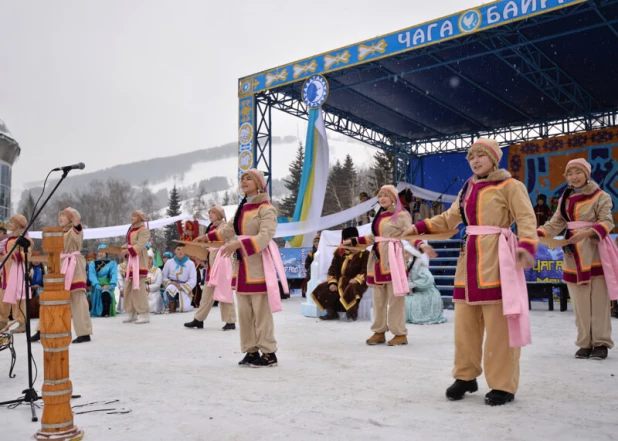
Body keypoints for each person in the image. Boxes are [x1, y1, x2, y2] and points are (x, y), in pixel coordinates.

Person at [405, 138, 538, 406]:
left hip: (497, 257)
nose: (475, 161)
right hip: (469, 259)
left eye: (481, 155)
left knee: (499, 327)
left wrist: (526, 247)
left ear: (494, 158)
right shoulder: (468, 187)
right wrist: (419, 227)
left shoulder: (511, 185)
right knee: (465, 325)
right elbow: (450, 218)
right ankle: (466, 376)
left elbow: (526, 218)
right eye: (471, 157)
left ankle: (503, 384)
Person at [204, 169, 286, 368]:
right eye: (242, 179)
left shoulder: (266, 209)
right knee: (245, 313)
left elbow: (266, 236)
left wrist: (239, 245)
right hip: (242, 268)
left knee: (261, 312)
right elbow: (227, 229)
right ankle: (250, 350)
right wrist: (205, 238)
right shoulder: (242, 209)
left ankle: (268, 352)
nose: (244, 181)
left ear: (259, 183)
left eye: (248, 178)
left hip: (258, 267)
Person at [538, 158, 616, 360]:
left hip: (595, 250)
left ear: (587, 173)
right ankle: (584, 342)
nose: (574, 177)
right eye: (570, 173)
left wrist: (589, 232)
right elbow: (556, 223)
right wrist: (539, 232)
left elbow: (607, 221)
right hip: (573, 252)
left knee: (598, 300)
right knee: (580, 302)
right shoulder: (565, 198)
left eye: (578, 172)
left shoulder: (601, 196)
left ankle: (600, 343)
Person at [345, 185, 430, 346]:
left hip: (393, 259)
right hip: (377, 259)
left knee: (396, 298)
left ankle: (399, 333)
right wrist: (355, 241)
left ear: (393, 197)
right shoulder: (380, 215)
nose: (382, 198)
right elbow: (374, 237)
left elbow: (409, 233)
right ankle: (379, 331)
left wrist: (420, 244)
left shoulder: (401, 214)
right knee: (378, 300)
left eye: (385, 195)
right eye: (380, 196)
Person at [185, 205, 237, 330]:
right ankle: (199, 319)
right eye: (209, 213)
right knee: (207, 293)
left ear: (219, 214)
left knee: (224, 291)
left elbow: (224, 239)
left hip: (223, 262)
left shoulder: (224, 226)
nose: (210, 215)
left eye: (212, 212)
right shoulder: (210, 227)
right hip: (212, 264)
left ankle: (230, 321)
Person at [311, 227, 369, 322]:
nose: (348, 241)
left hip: (358, 281)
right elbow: (332, 269)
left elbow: (366, 270)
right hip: (341, 279)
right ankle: (332, 312)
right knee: (323, 287)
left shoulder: (364, 253)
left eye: (350, 239)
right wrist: (332, 282)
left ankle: (351, 313)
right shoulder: (340, 252)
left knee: (352, 287)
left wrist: (357, 279)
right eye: (346, 239)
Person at [57, 208, 93, 343]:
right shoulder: (57, 233)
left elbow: (77, 233)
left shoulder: (73, 231)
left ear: (72, 219)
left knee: (78, 299)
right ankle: (43, 329)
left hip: (74, 266)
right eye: (60, 216)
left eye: (64, 216)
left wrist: (77, 224)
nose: (61, 218)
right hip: (60, 266)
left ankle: (84, 332)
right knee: (54, 298)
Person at [0, 215, 33, 333]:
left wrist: (16, 256)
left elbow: (28, 253)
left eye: (12, 223)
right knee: (3, 296)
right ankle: (2, 321)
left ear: (19, 224)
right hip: (6, 271)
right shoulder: (10, 237)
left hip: (16, 271)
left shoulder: (24, 238)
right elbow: (6, 252)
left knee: (18, 298)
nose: (10, 225)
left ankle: (22, 322)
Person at [403, 241, 446, 325]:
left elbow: (429, 279)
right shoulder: (405, 266)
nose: (403, 255)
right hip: (415, 291)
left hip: (427, 292)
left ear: (412, 255)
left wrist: (411, 285)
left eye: (406, 253)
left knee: (410, 302)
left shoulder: (419, 266)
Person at [122, 210, 151, 324]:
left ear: (140, 218)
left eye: (134, 215)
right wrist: (122, 248)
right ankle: (131, 312)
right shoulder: (131, 229)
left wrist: (127, 250)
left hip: (139, 259)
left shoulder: (143, 230)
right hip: (130, 260)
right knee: (128, 286)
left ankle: (143, 313)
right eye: (131, 215)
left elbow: (139, 245)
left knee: (138, 286)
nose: (132, 217)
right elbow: (130, 243)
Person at [162, 244, 197, 312]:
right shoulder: (169, 262)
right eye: (178, 249)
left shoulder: (190, 263)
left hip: (184, 287)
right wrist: (170, 282)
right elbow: (163, 276)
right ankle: (172, 303)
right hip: (172, 285)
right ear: (175, 251)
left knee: (185, 309)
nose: (180, 251)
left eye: (183, 250)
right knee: (170, 288)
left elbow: (193, 279)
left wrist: (182, 286)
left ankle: (181, 303)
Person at [88, 244, 118, 317]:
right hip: (96, 286)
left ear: (106, 253)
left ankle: (106, 311)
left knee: (106, 294)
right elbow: (92, 275)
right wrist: (97, 284)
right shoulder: (93, 263)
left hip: (107, 284)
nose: (100, 253)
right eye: (99, 251)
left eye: (103, 251)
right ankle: (98, 311)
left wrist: (111, 285)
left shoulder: (112, 263)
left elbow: (114, 274)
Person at [301, 233, 320, 298]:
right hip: (312, 273)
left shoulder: (324, 252)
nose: (316, 243)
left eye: (318, 241)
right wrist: (312, 270)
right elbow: (307, 264)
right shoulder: (311, 253)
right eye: (315, 242)